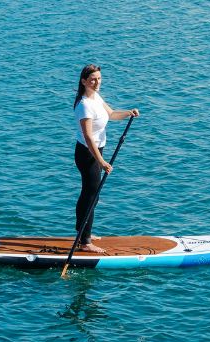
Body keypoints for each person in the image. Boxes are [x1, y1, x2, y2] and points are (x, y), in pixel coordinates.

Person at [73, 64, 139, 253]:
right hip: (88, 154)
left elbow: (111, 115)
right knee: (91, 195)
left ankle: (82, 231)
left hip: (95, 152)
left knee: (90, 194)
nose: (97, 82)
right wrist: (101, 162)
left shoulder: (95, 97)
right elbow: (88, 137)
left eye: (99, 78)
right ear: (84, 81)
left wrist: (128, 113)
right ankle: (85, 242)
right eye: (92, 79)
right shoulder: (84, 105)